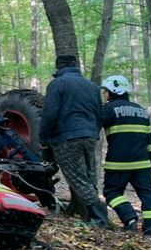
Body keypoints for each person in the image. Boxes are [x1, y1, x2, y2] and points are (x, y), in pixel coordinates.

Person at [38, 54, 111, 227]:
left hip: (67, 138)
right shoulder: (92, 86)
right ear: (75, 65)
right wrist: (93, 133)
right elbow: (100, 114)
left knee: (78, 179)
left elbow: (49, 114)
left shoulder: (58, 84)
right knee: (88, 177)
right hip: (90, 136)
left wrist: (43, 138)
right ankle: (80, 210)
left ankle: (100, 218)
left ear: (58, 67)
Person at [100, 74, 151, 235]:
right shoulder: (142, 111)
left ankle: (129, 217)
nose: (105, 94)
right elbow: (149, 139)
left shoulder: (108, 109)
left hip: (117, 164)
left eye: (106, 91)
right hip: (143, 164)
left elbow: (93, 125)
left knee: (111, 193)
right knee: (147, 195)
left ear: (113, 91)